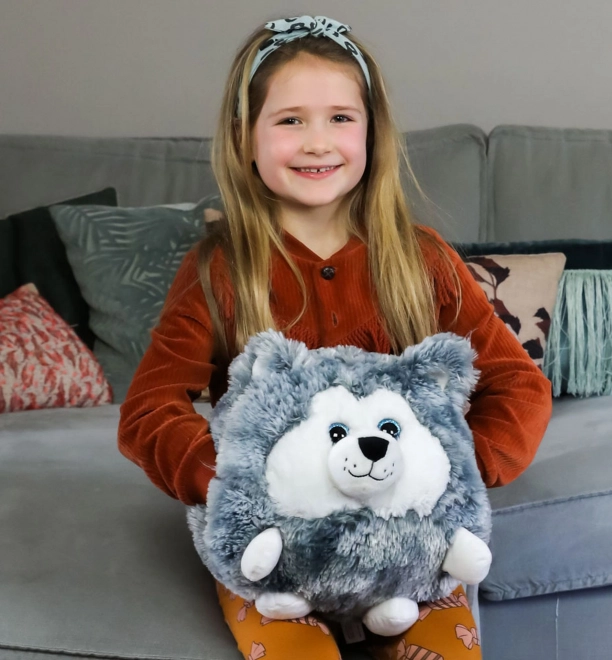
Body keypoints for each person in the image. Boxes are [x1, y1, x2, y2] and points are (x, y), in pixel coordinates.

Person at [118, 15, 552, 660]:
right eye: (290, 120)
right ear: (244, 138)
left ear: (372, 133)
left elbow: (518, 384)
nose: (317, 142)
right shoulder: (221, 269)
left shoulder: (422, 259)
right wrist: (234, 485)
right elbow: (149, 409)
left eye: (340, 118)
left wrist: (455, 470)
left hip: (405, 550)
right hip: (276, 558)